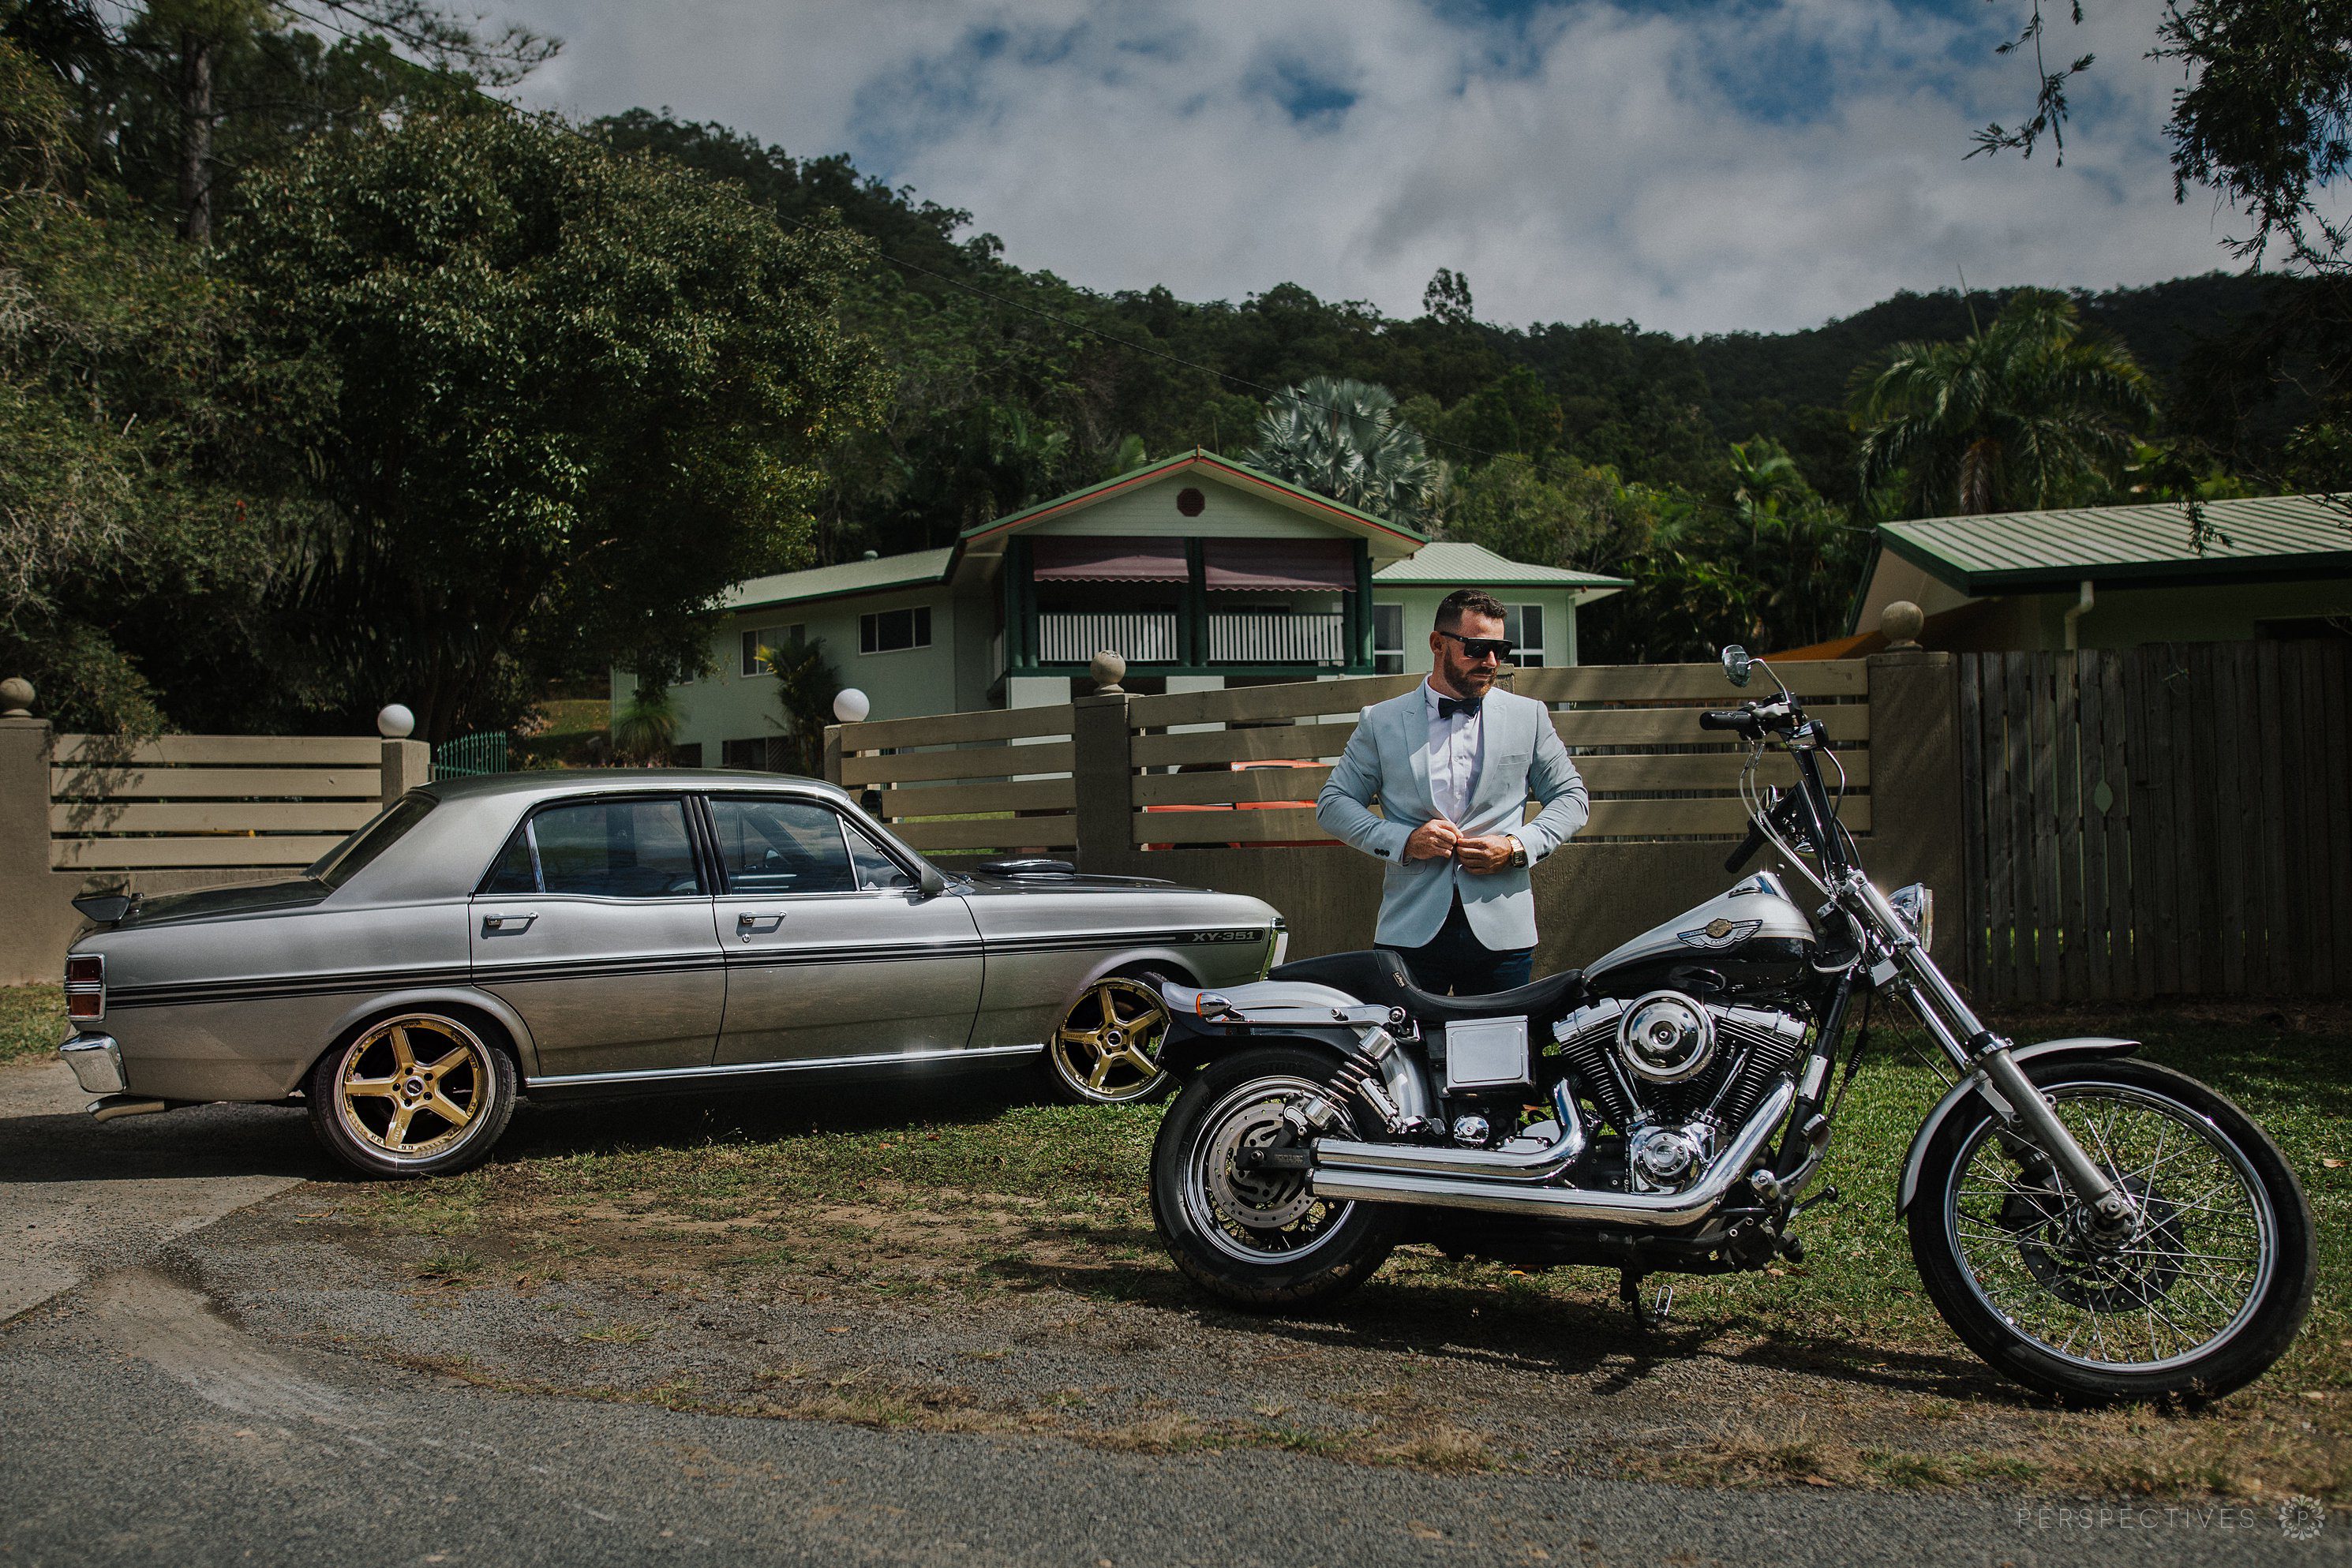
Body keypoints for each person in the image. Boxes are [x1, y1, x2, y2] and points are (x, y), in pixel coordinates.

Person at [1316, 588, 1589, 995]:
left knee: (1501, 1038)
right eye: (1477, 648)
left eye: (1500, 650)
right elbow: (1333, 804)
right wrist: (1405, 840)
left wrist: (1516, 846)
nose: (1491, 661)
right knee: (1407, 1038)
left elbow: (1572, 798)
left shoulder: (1528, 716)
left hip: (1502, 934)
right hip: (1410, 930)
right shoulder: (1381, 721)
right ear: (1437, 643)